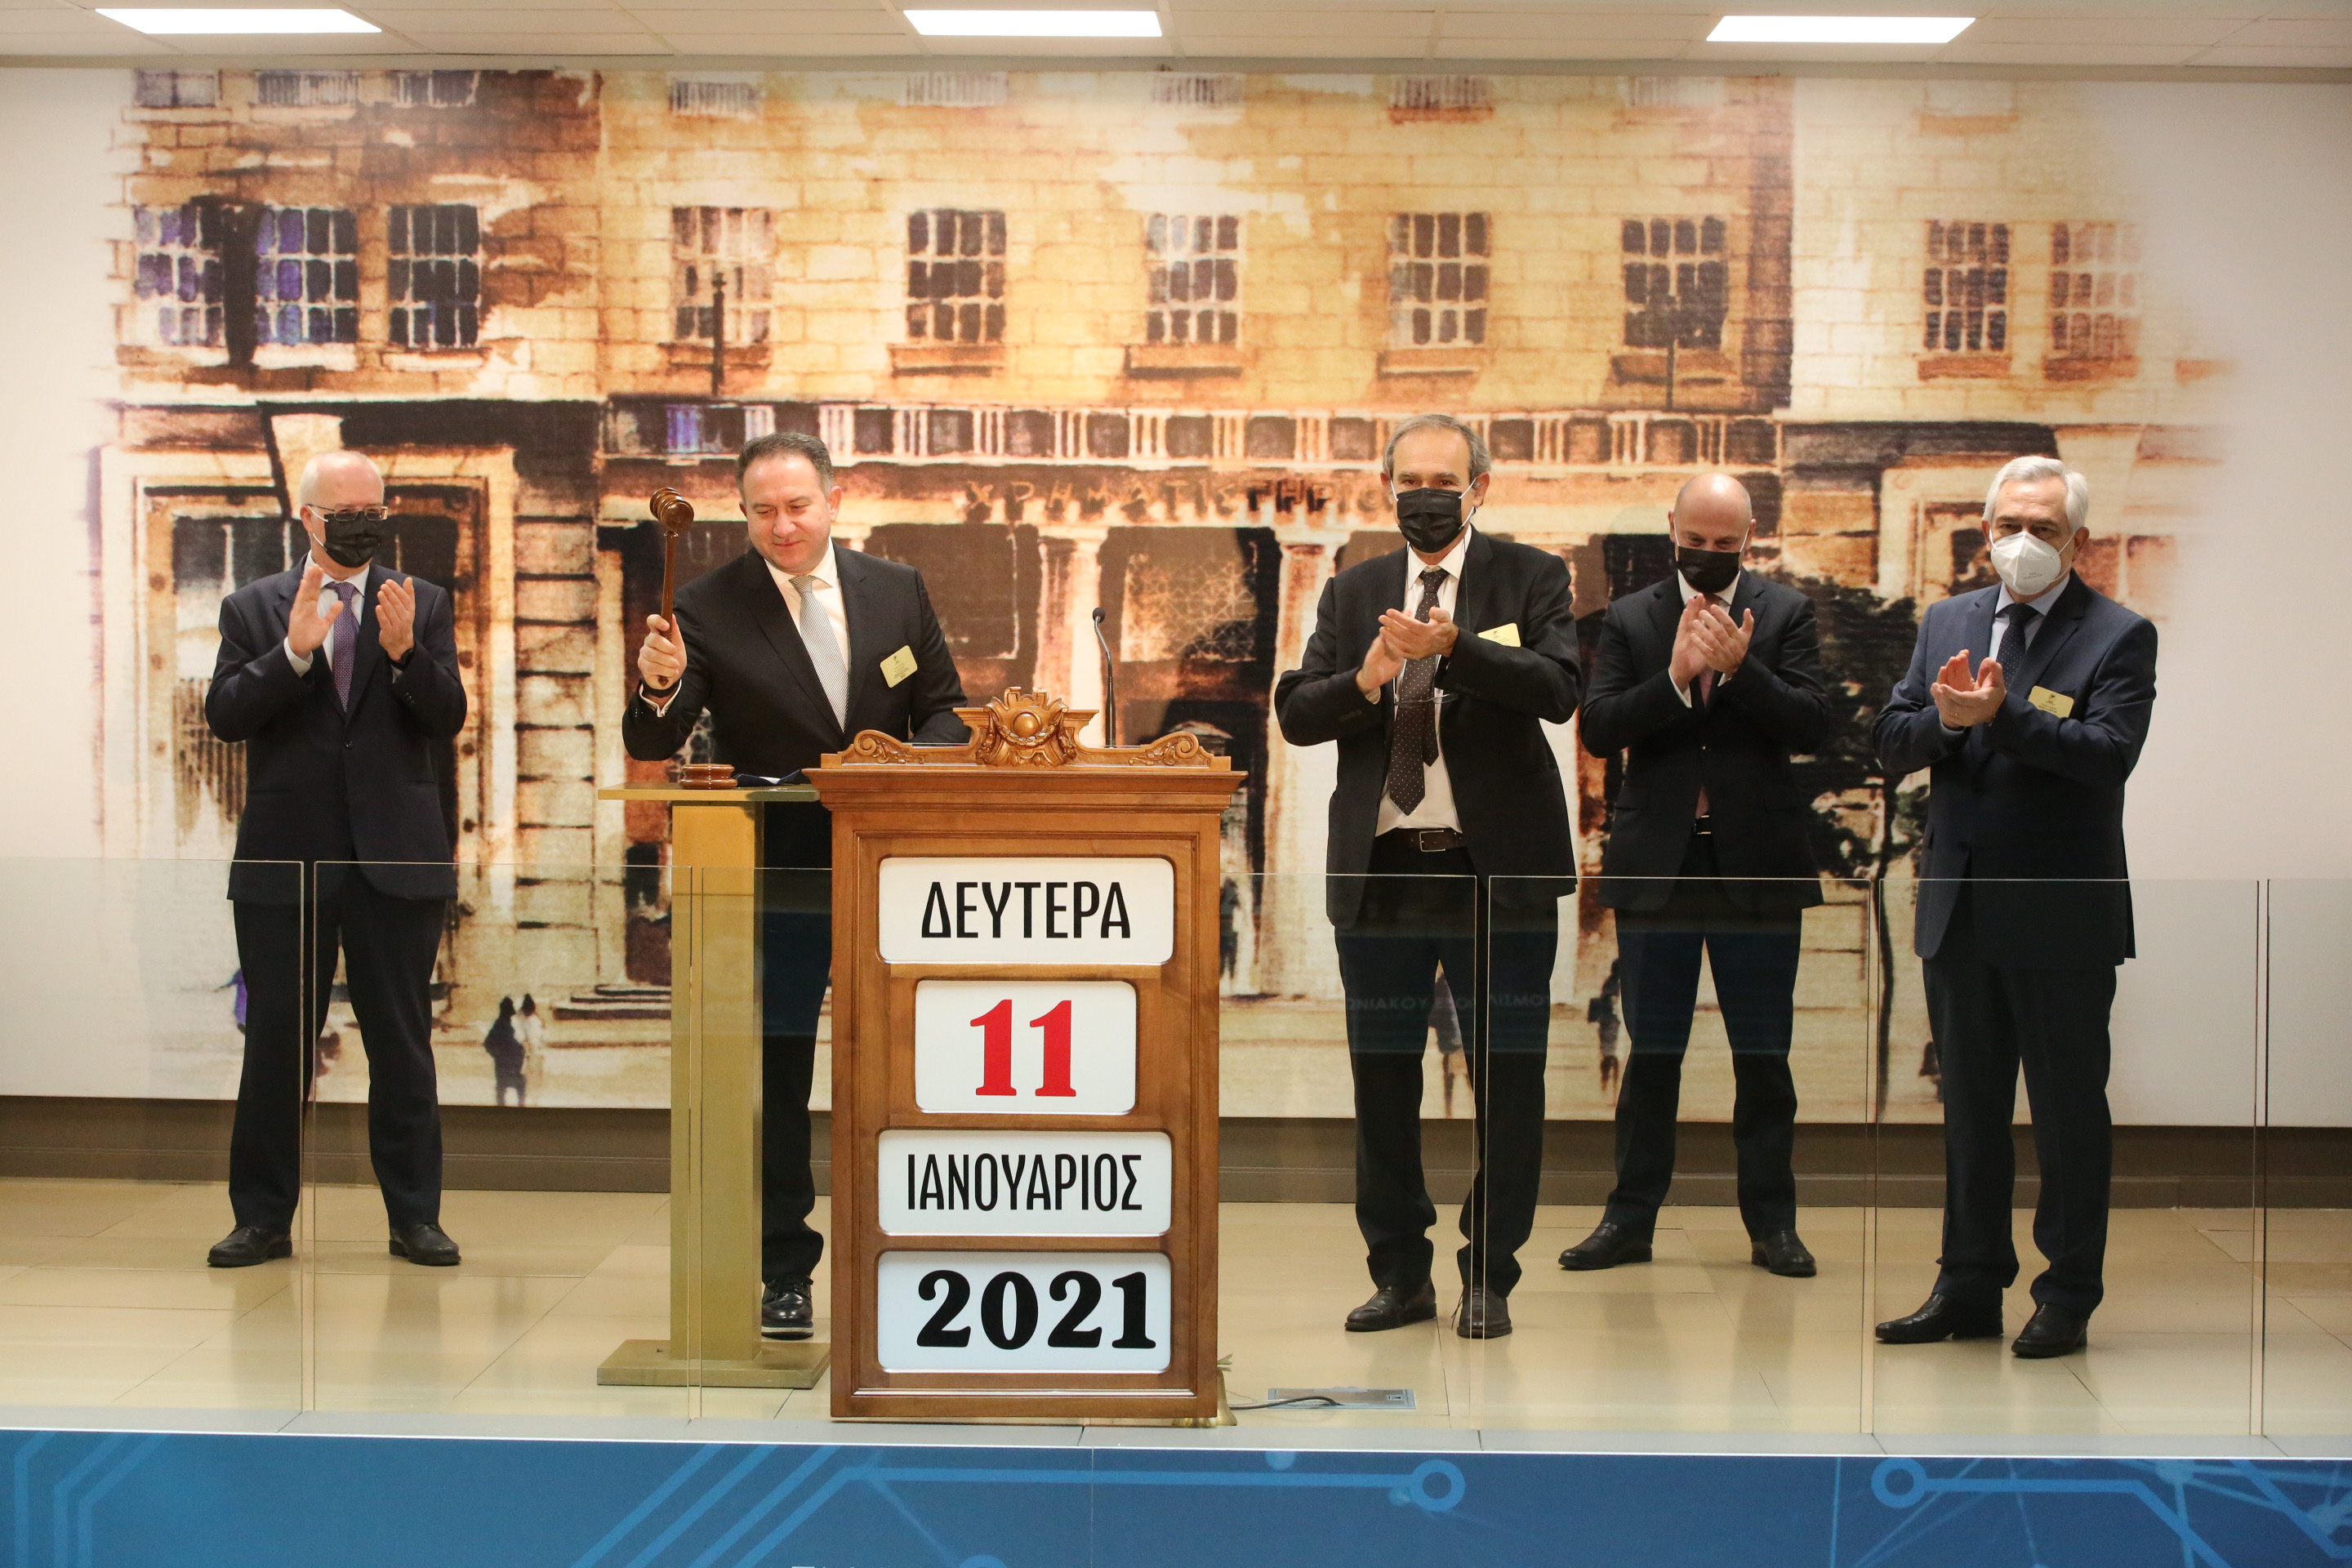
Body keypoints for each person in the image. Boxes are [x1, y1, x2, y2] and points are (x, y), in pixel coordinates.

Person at [624, 430, 969, 1340]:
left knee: (908, 1061)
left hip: (891, 869)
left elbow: (943, 710)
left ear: (833, 501)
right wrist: (656, 688)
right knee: (779, 1075)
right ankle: (786, 1267)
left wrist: (893, 767)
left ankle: (914, 1250)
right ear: (743, 514)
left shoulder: (897, 590)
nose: (783, 526)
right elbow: (656, 740)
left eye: (798, 506)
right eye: (763, 511)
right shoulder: (705, 607)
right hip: (774, 878)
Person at [1273, 413, 1580, 1339]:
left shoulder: (1532, 576)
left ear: (1477, 488)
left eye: (1443, 481)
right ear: (1388, 488)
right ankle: (1400, 1274)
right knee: (1382, 1085)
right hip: (1384, 876)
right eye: (1409, 482)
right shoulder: (1355, 588)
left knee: (1509, 1084)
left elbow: (1559, 689)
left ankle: (1489, 1275)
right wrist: (1368, 676)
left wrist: (1457, 649)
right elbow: (1298, 713)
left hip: (1496, 878)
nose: (1425, 497)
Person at [1873, 455, 2157, 1359]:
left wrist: (2004, 716)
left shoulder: (2117, 634)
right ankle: (1968, 1283)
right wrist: (1949, 722)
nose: (2022, 542)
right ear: (1986, 529)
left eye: (2043, 528)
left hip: (2062, 917)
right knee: (1969, 1112)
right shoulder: (1948, 620)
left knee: (2068, 1115)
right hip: (1960, 909)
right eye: (2008, 526)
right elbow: (1892, 739)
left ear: (2078, 540)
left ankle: (2067, 1293)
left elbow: (2108, 754)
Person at [1561, 473, 1831, 1280]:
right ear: (1671, 528)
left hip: (1758, 864)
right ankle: (1630, 1218)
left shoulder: (1787, 612)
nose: (1709, 555)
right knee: (1653, 1054)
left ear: (1750, 538)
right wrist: (1676, 678)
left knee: (1764, 1057)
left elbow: (1812, 724)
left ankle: (1773, 1224)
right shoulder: (1632, 617)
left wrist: (1744, 670)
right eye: (1696, 540)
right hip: (1661, 866)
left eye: (1725, 544)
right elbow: (1601, 726)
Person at [203, 449, 468, 1269]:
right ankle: (261, 1220)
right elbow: (226, 715)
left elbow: (447, 717)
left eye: (373, 511)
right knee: (276, 1049)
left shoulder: (420, 602)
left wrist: (405, 654)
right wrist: (290, 655)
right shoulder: (253, 606)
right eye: (344, 513)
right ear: (308, 517)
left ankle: (416, 1219)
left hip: (397, 862)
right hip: (288, 863)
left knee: (403, 1047)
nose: (361, 525)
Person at [483, 996, 525, 1108]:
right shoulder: (501, 1025)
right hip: (505, 1064)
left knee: (505, 1087)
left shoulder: (504, 1023)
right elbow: (488, 1043)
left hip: (510, 1063)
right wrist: (498, 1055)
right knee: (509, 1087)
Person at [517, 993, 548, 1095]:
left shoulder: (525, 1021)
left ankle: (530, 1094)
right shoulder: (538, 1020)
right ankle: (537, 1094)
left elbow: (524, 1038)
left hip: (530, 1052)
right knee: (537, 1075)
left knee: (527, 1076)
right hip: (538, 1051)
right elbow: (542, 1036)